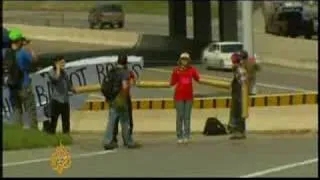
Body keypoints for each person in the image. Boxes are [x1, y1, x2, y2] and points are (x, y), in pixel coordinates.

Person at [102, 55, 140, 150]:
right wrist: (125, 97)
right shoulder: (125, 72)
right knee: (125, 121)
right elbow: (124, 86)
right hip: (121, 99)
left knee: (111, 121)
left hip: (111, 99)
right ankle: (128, 141)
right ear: (126, 62)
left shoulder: (111, 71)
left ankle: (108, 141)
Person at [7, 28, 38, 129]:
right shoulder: (23, 53)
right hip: (24, 85)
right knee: (30, 110)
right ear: (20, 40)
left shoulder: (7, 53)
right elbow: (34, 60)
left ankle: (17, 131)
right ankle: (33, 132)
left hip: (12, 86)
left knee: (16, 111)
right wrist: (29, 48)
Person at [170, 52, 200, 144]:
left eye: (186, 59)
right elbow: (172, 82)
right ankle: (179, 135)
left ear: (189, 60)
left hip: (189, 97)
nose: (184, 61)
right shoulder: (176, 70)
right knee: (180, 117)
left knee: (187, 117)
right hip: (179, 96)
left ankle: (187, 135)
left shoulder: (192, 70)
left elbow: (198, 78)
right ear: (180, 60)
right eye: (183, 59)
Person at [48, 56, 76, 134]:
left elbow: (69, 85)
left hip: (65, 100)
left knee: (66, 121)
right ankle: (51, 137)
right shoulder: (51, 72)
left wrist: (73, 89)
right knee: (54, 121)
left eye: (64, 62)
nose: (64, 64)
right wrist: (57, 68)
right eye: (62, 63)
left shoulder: (64, 73)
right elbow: (56, 79)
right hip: (56, 100)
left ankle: (66, 137)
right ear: (56, 63)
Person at [112, 55, 136, 145]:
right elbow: (132, 82)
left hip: (114, 97)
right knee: (127, 119)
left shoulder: (113, 71)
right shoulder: (128, 72)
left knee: (114, 119)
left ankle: (113, 139)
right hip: (124, 97)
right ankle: (127, 139)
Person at [229, 52, 249, 140]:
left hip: (240, 95)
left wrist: (241, 97)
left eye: (233, 63)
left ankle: (240, 132)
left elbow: (244, 84)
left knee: (240, 113)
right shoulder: (237, 70)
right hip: (236, 95)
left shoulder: (240, 70)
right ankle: (236, 131)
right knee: (235, 113)